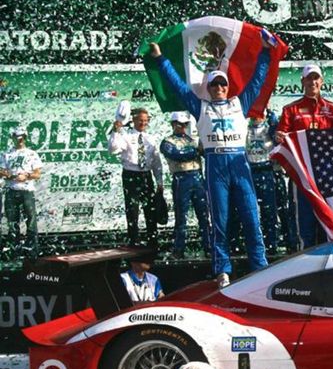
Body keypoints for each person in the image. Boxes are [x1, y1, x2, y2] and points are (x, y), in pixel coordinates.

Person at [149, 33, 273, 288]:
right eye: (214, 85)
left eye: (222, 85)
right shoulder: (200, 106)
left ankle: (259, 266)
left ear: (228, 87)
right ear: (209, 87)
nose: (218, 88)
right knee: (220, 221)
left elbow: (258, 80)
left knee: (252, 216)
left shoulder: (241, 103)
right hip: (216, 166)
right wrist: (161, 59)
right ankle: (222, 270)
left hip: (239, 162)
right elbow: (178, 86)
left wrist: (265, 52)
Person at [275, 64, 333, 248]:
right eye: (309, 78)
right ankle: (303, 266)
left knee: (327, 222)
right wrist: (280, 137)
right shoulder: (291, 110)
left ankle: (326, 266)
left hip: (326, 177)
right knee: (304, 224)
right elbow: (281, 136)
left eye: (316, 78)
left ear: (322, 81)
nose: (312, 82)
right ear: (302, 82)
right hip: (302, 177)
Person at [160, 111, 212, 259]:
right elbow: (176, 155)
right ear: (173, 124)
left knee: (203, 215)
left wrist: (200, 147)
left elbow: (205, 153)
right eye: (179, 124)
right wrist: (195, 151)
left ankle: (208, 247)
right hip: (181, 179)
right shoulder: (167, 141)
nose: (182, 127)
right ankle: (178, 249)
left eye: (184, 124)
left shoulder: (193, 139)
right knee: (181, 216)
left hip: (197, 178)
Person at [108, 108, 163, 248]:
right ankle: (134, 241)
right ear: (133, 121)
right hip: (130, 175)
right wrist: (115, 131)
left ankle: (153, 241)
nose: (143, 123)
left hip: (146, 175)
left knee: (150, 209)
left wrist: (159, 181)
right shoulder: (125, 136)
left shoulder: (151, 138)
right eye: (140, 120)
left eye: (146, 121)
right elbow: (113, 149)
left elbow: (156, 162)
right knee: (132, 209)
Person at [0, 127, 42, 257]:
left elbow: (37, 174)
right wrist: (11, 175)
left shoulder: (32, 153)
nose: (20, 140)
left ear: (25, 138)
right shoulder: (6, 154)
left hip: (27, 191)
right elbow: (1, 171)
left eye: (22, 137)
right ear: (13, 138)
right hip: (11, 191)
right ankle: (14, 249)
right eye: (17, 137)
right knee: (12, 222)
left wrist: (26, 176)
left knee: (31, 220)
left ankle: (32, 249)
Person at [246, 108, 281, 255]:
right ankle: (253, 244)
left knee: (269, 210)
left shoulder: (269, 129)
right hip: (249, 171)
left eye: (259, 114)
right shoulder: (244, 129)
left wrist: (272, 118)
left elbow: (278, 134)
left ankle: (271, 242)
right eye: (254, 115)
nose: (256, 117)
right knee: (250, 210)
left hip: (266, 171)